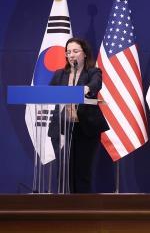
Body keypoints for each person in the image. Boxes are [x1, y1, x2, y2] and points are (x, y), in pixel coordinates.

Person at [48, 37, 109, 193]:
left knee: (82, 173)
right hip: (61, 129)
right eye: (68, 52)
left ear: (85, 54)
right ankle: (63, 209)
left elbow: (96, 84)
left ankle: (83, 211)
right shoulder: (59, 74)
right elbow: (48, 94)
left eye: (75, 51)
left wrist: (85, 90)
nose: (71, 55)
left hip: (86, 128)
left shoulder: (93, 72)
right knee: (63, 172)